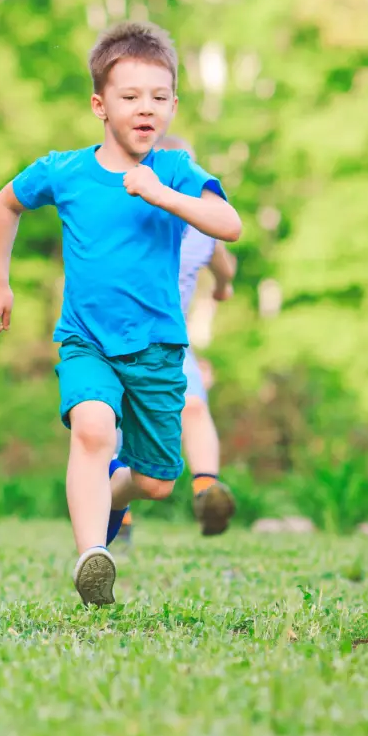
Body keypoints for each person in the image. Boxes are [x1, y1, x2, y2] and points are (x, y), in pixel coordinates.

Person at [0, 20, 242, 606]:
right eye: (130, 96)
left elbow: (230, 225)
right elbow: (6, 202)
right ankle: (92, 555)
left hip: (157, 349)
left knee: (155, 481)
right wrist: (0, 283)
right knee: (93, 429)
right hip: (86, 340)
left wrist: (160, 194)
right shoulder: (65, 171)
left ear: (173, 103)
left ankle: (114, 501)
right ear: (99, 104)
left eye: (160, 97)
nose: (146, 108)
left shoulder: (175, 170)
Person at [116, 134, 239, 542]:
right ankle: (195, 488)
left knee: (176, 411)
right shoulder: (188, 227)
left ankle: (197, 495)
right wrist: (222, 286)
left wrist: (222, 286)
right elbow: (224, 264)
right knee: (179, 412)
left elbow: (221, 261)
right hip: (141, 338)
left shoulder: (190, 226)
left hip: (155, 338)